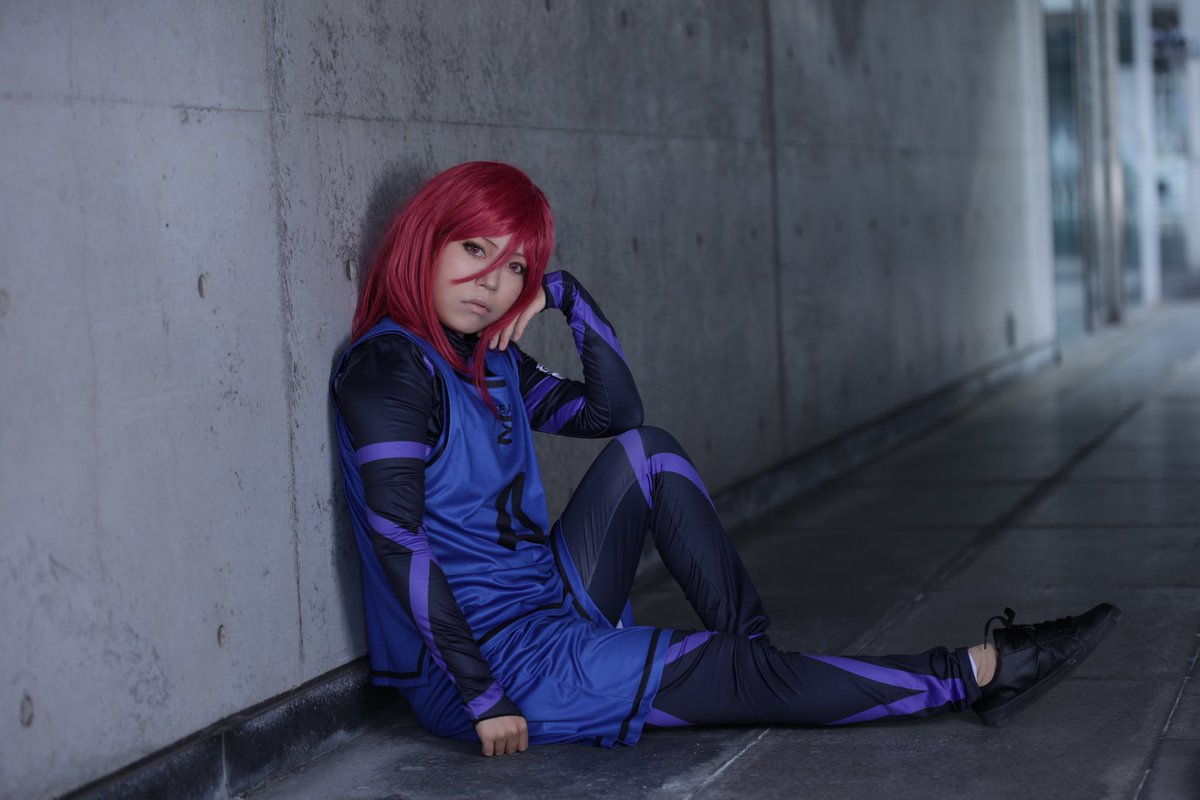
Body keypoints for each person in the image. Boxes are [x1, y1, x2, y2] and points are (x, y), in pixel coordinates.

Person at [330, 161, 1119, 757]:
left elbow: (614, 414)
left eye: (514, 267)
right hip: (491, 664)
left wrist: (568, 296)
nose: (492, 285)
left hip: (549, 602)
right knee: (724, 672)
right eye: (473, 249)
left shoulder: (487, 356)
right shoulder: (391, 369)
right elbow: (399, 541)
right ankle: (980, 672)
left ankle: (755, 659)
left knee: (650, 455)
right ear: (425, 240)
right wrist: (482, 695)